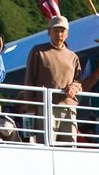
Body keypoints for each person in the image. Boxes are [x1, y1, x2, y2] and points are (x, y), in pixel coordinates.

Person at [23, 15, 82, 144]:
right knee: (45, 144)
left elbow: (78, 80)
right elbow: (29, 79)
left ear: (67, 34)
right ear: (49, 32)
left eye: (62, 31)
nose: (59, 34)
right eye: (56, 30)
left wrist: (73, 87)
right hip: (45, 106)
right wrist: (30, 107)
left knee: (69, 146)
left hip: (68, 108)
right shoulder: (38, 51)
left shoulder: (73, 57)